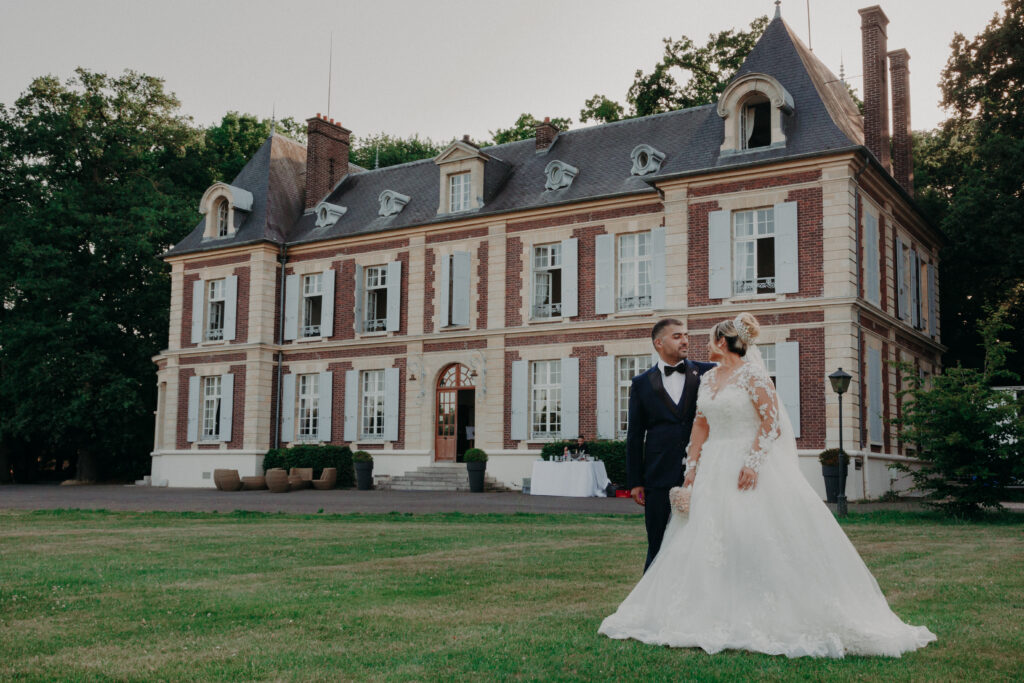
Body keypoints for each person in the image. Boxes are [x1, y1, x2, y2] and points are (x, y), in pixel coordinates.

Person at [600, 313, 937, 657]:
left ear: (723, 343)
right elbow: (700, 425)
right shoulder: (708, 378)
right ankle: (702, 608)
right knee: (704, 537)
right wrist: (692, 467)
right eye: (681, 336)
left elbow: (772, 423)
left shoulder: (755, 375)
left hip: (746, 465)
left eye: (709, 338)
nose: (696, 343)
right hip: (712, 467)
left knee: (752, 534)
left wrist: (754, 463)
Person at [626, 318, 715, 571]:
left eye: (686, 335)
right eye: (677, 336)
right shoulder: (641, 383)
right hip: (657, 474)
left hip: (702, 471)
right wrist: (635, 481)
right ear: (659, 342)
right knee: (657, 541)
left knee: (700, 539)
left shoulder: (707, 372)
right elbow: (634, 436)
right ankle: (648, 602)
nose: (685, 340)